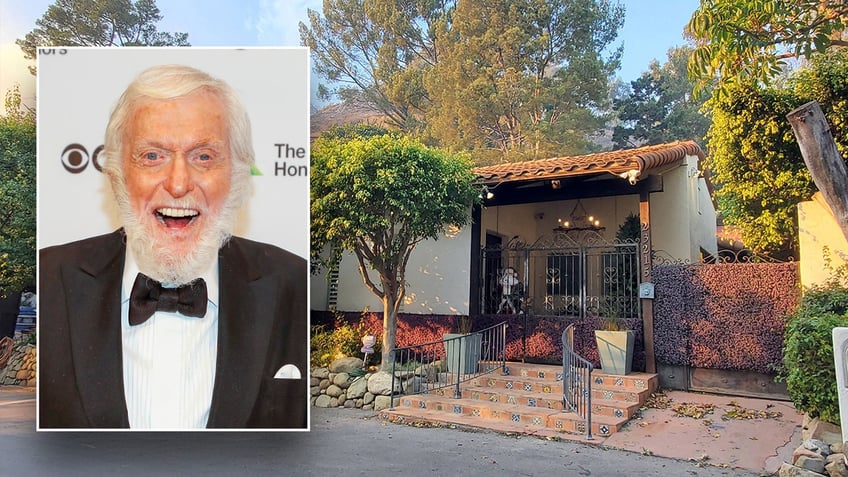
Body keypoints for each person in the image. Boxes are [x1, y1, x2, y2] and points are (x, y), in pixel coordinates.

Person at [38, 65, 307, 429]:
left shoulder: (295, 283)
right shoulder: (49, 279)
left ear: (239, 175)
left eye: (204, 156)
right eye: (152, 156)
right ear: (117, 174)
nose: (179, 183)